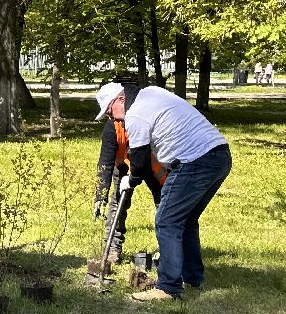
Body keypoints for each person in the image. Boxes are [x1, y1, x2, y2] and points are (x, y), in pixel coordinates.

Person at [95, 81, 231, 302]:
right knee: (185, 220)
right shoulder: (153, 93)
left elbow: (138, 160)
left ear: (120, 100)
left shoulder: (136, 114)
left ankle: (168, 287)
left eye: (110, 112)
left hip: (195, 162)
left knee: (167, 221)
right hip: (220, 155)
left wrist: (131, 179)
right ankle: (193, 278)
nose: (113, 119)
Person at [92, 79, 163, 265]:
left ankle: (167, 250)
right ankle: (112, 249)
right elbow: (105, 163)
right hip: (124, 166)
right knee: (117, 205)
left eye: (108, 111)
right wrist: (100, 195)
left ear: (118, 102)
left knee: (164, 204)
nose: (109, 117)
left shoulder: (142, 113)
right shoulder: (111, 128)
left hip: (153, 164)